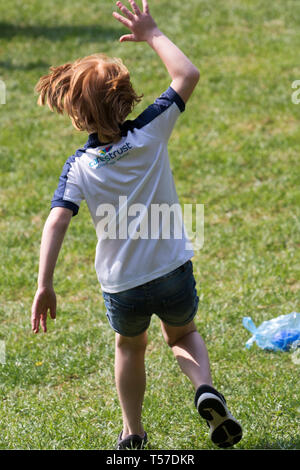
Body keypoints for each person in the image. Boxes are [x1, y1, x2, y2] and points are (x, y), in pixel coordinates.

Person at [31, 0, 243, 450]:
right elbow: (187, 75)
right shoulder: (151, 131)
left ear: (76, 114)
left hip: (122, 284)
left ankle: (132, 432)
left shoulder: (79, 167)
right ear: (127, 97)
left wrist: (44, 284)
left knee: (130, 347)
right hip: (171, 270)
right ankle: (204, 388)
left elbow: (55, 222)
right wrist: (152, 34)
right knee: (183, 334)